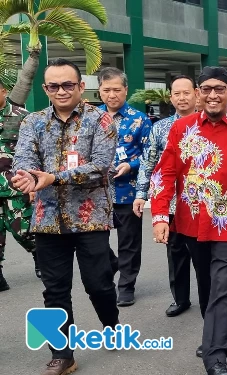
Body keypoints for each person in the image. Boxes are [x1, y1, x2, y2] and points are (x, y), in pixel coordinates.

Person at [151, 66, 227, 375]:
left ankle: (216, 356)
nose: (213, 94)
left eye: (220, 89)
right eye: (206, 89)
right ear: (198, 93)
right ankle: (214, 333)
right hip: (191, 222)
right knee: (206, 284)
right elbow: (164, 172)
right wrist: (160, 215)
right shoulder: (182, 129)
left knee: (221, 286)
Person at [12, 58, 119, 375]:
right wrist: (27, 179)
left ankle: (110, 324)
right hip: (47, 220)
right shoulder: (32, 122)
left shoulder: (100, 121)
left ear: (80, 86)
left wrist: (53, 178)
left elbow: (100, 167)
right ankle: (63, 354)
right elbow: (25, 161)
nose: (61, 90)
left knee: (98, 284)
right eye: (54, 85)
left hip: (91, 219)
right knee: (54, 290)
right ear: (45, 88)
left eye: (67, 84)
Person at [133, 75, 209, 320]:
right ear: (171, 97)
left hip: (202, 204)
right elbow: (149, 163)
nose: (182, 98)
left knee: (203, 256)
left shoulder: (208, 125)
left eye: (186, 93)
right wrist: (141, 194)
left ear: (196, 94)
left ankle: (210, 301)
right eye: (177, 93)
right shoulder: (161, 128)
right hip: (172, 204)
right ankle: (181, 298)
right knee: (175, 253)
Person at [98, 67, 152, 307]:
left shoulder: (140, 119)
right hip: (95, 193)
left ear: (125, 90)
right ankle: (112, 264)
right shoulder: (90, 117)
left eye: (117, 90)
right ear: (99, 90)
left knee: (129, 242)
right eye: (107, 90)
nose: (112, 95)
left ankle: (126, 286)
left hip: (128, 193)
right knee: (94, 241)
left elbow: (152, 155)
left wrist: (130, 165)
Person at [0, 80, 38, 292]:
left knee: (23, 230)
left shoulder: (23, 116)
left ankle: (39, 255)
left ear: (4, 91)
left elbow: (34, 152)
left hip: (16, 184)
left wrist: (33, 184)